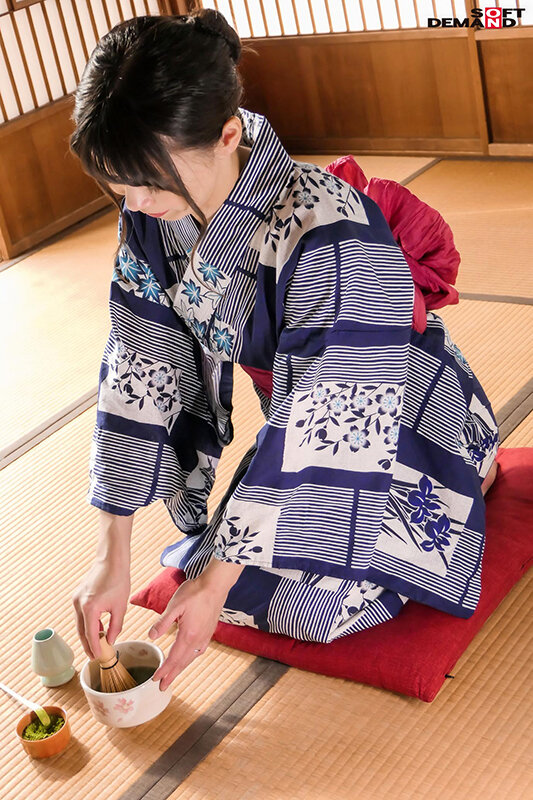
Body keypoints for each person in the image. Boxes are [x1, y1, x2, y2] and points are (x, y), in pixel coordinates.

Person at [71, 10, 499, 693]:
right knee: (206, 571)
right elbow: (137, 366)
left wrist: (218, 581)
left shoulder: (330, 227)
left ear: (228, 135)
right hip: (295, 423)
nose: (136, 202)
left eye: (148, 182)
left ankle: (471, 471)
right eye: (121, 186)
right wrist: (110, 552)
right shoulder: (152, 220)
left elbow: (333, 417)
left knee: (303, 606)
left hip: (398, 418)